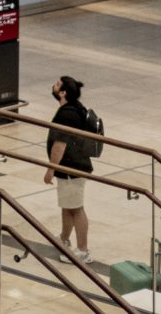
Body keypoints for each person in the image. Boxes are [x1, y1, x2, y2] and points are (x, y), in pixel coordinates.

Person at [44, 73, 98, 264]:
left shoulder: (67, 114)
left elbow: (60, 144)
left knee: (76, 208)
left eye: (57, 84)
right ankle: (64, 239)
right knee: (68, 206)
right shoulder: (75, 108)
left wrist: (50, 168)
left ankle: (83, 250)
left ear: (63, 92)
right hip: (72, 166)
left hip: (71, 168)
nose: (53, 85)